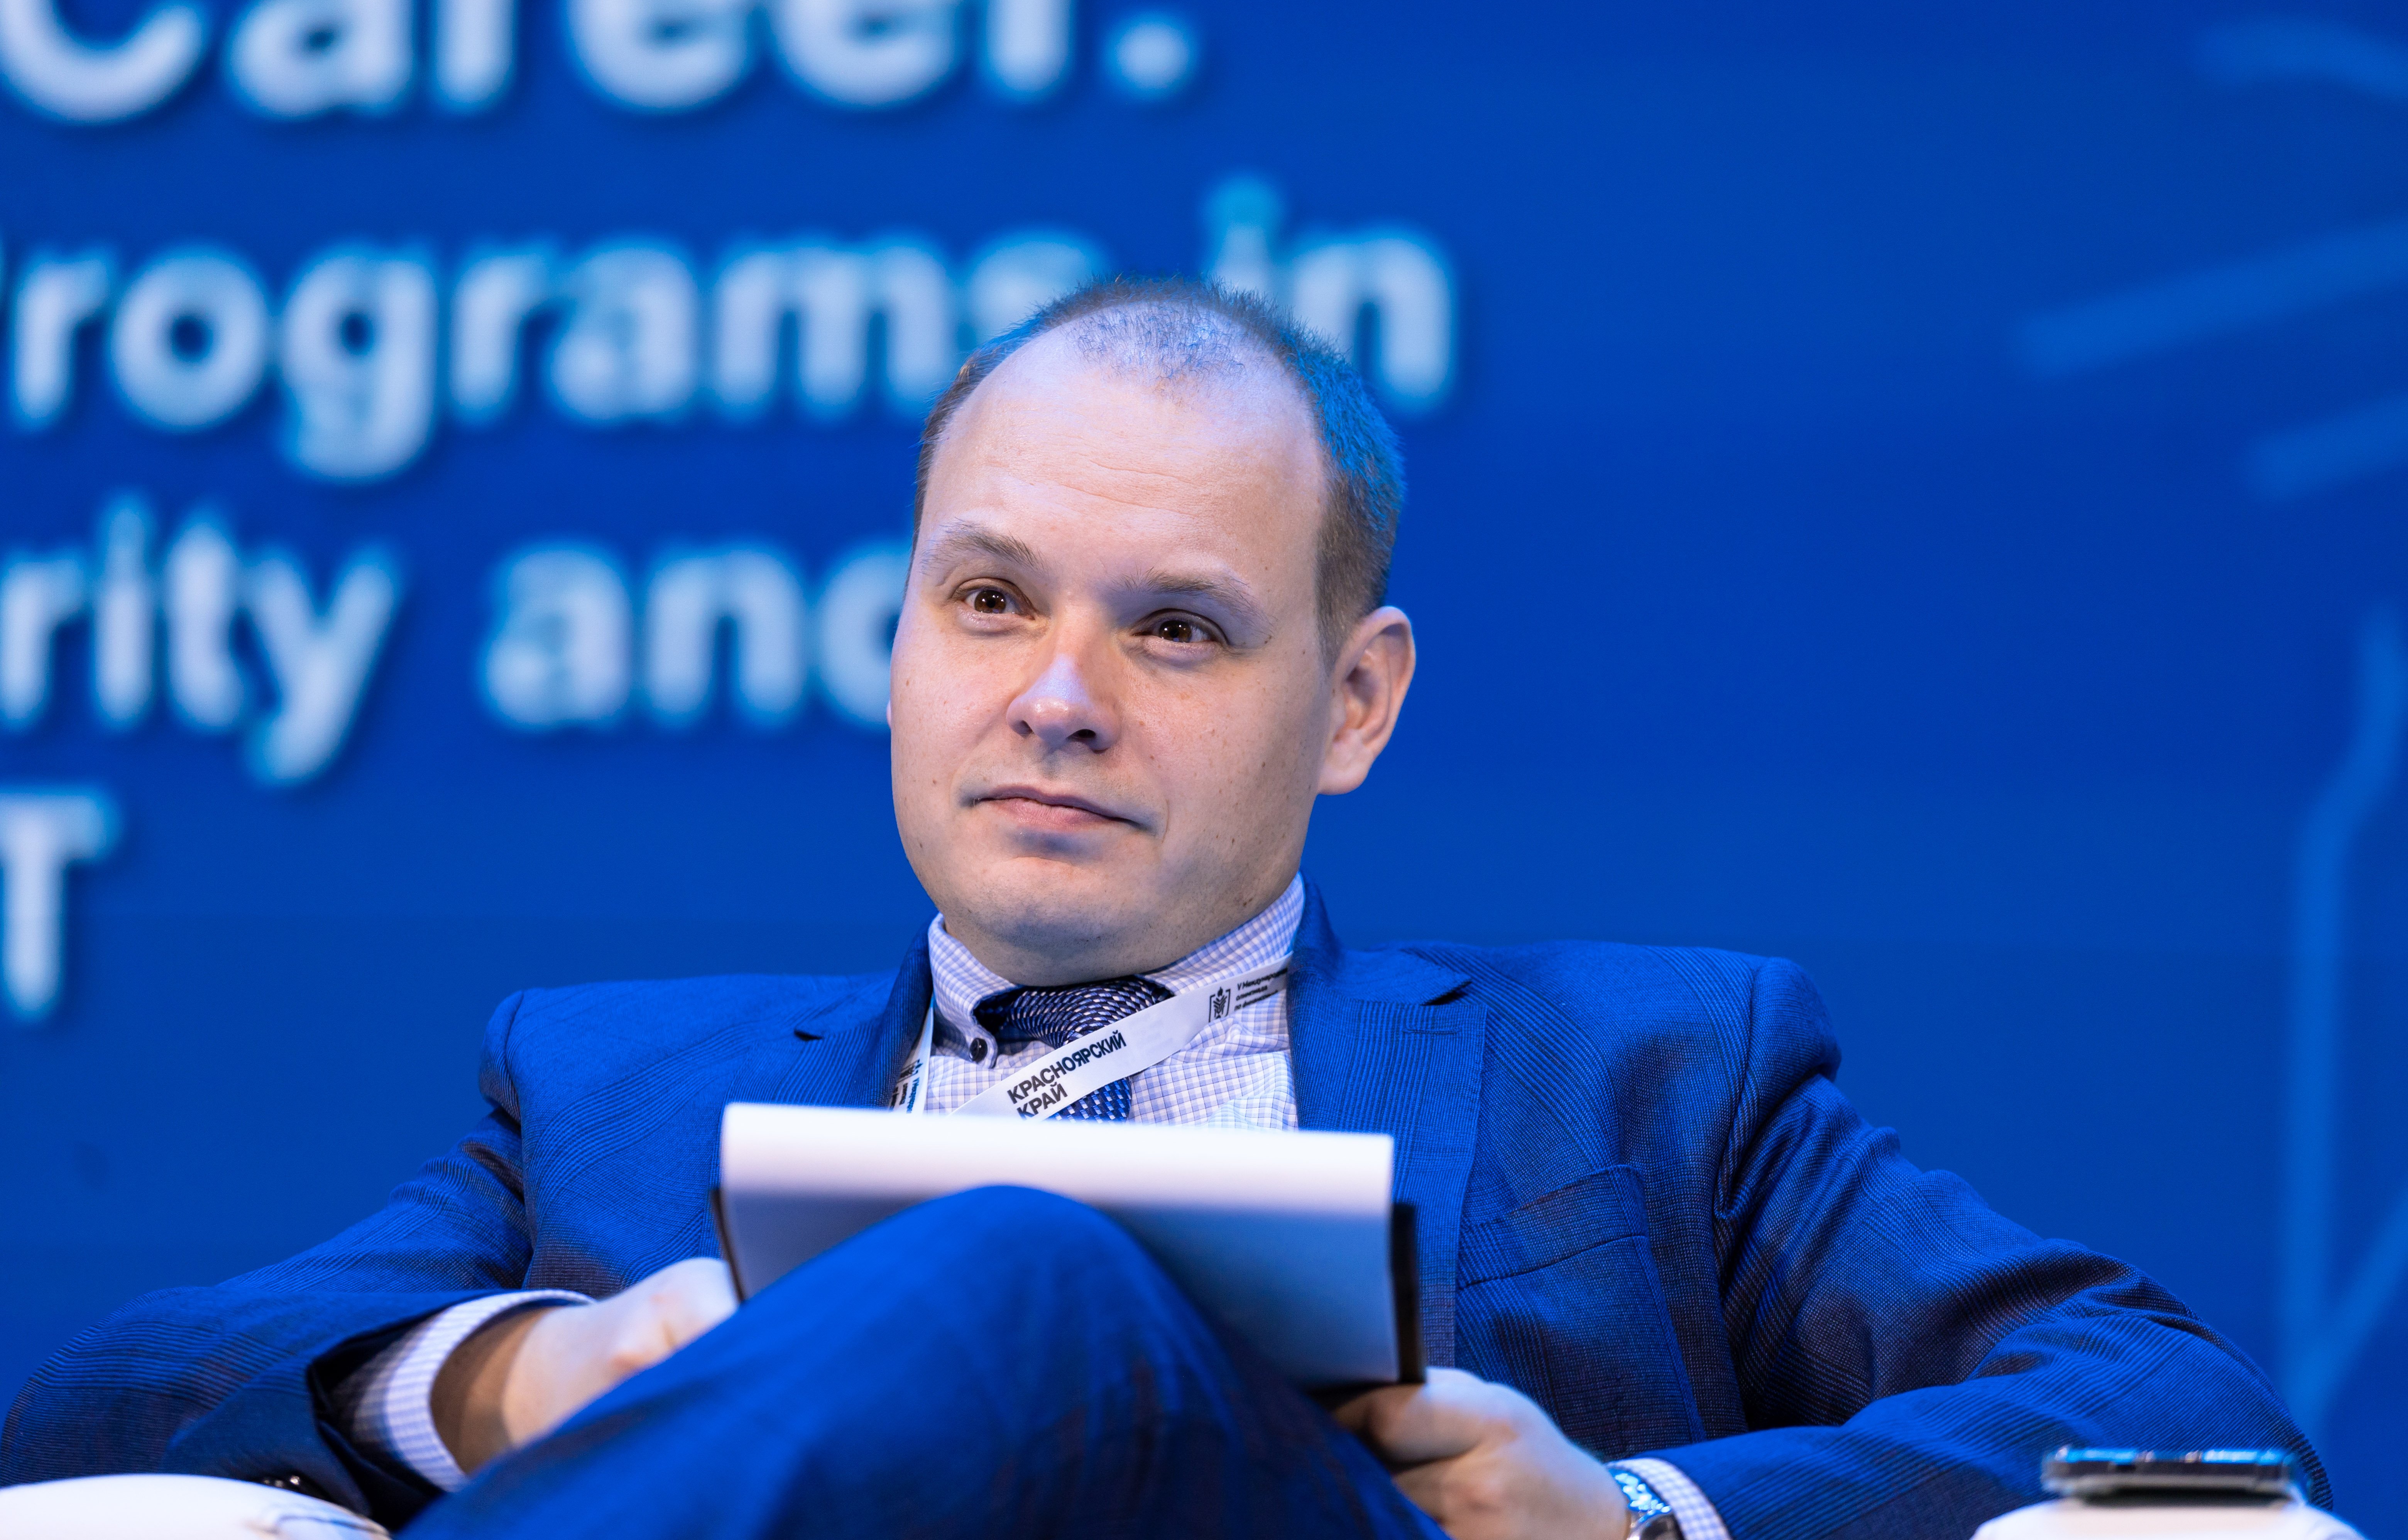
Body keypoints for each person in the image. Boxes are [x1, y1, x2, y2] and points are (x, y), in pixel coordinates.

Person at [2, 278, 2322, 1540]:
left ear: (1355, 703)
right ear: (898, 641)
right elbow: (85, 1411)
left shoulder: (1650, 1079)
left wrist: (1626, 1518)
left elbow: (2177, 1416)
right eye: (989, 600)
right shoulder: (601, 1085)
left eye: (1180, 630)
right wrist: (509, 1376)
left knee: (1027, 1263)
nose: (1058, 699)